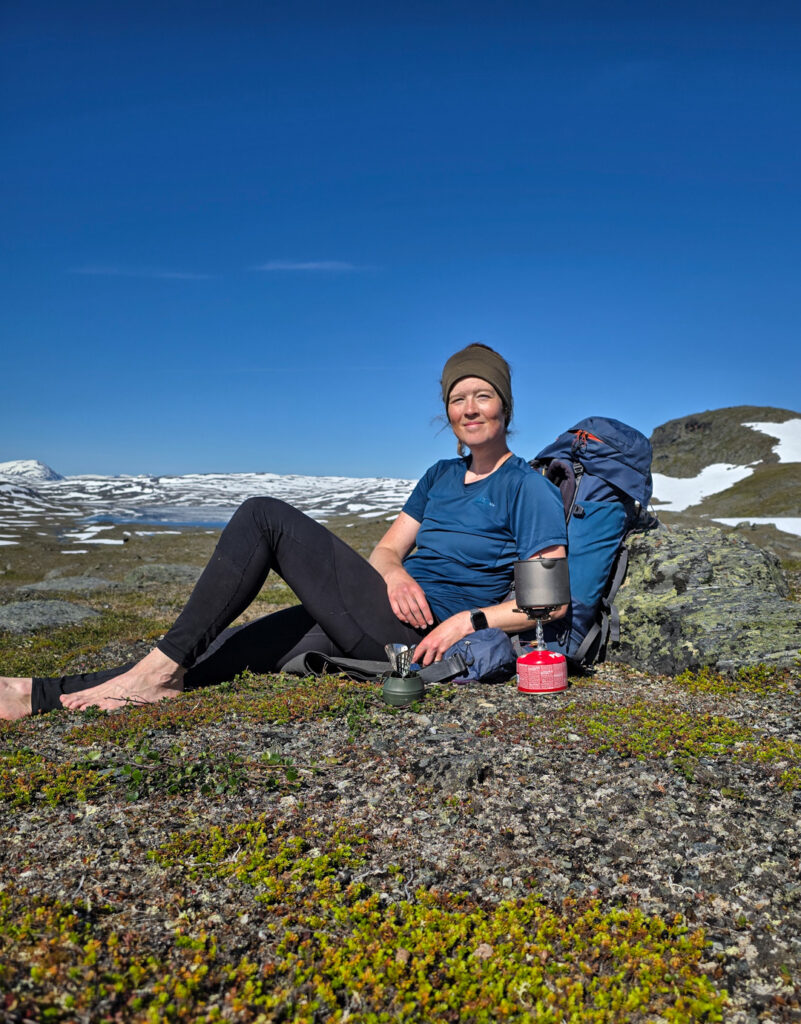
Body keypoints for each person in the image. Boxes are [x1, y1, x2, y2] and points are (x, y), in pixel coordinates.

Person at [0, 344, 567, 720]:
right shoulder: (440, 476)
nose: (469, 409)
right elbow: (389, 547)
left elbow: (551, 603)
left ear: (504, 406)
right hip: (381, 610)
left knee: (263, 516)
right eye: (456, 398)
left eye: (482, 395)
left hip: (423, 640)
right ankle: (37, 694)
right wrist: (393, 573)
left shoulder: (526, 488)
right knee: (219, 652)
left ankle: (150, 673)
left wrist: (466, 621)